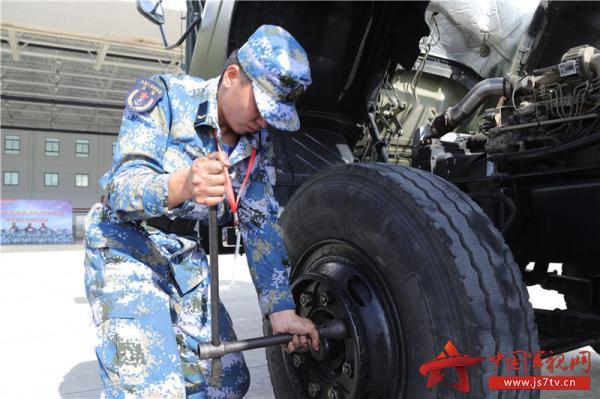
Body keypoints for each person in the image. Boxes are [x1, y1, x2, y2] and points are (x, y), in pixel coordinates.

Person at [84, 25, 319, 398]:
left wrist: (281, 310)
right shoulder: (166, 98)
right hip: (127, 250)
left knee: (228, 381)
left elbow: (260, 227)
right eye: (261, 104)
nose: (266, 120)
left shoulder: (257, 143)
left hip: (186, 260)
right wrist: (181, 186)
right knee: (153, 390)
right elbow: (119, 189)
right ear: (232, 77)